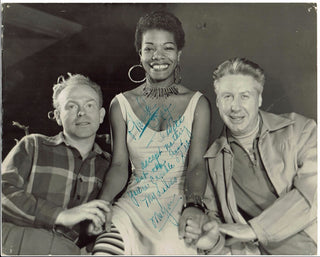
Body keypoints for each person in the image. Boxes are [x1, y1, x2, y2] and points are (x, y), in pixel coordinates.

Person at [92, 11, 211, 255]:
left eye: (167, 48)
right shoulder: (120, 104)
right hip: (133, 205)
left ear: (179, 54)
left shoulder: (198, 103)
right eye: (149, 49)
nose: (158, 56)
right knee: (103, 250)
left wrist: (193, 205)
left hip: (179, 202)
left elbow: (197, 165)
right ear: (140, 54)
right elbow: (118, 166)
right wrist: (103, 204)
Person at [194, 57, 317, 255]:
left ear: (259, 99)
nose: (235, 107)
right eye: (227, 96)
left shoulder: (302, 130)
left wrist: (254, 229)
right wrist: (211, 239)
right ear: (217, 102)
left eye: (244, 96)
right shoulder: (211, 161)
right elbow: (216, 229)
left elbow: (314, 192)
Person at [2, 73, 112, 255]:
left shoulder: (108, 166)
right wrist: (59, 215)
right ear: (58, 116)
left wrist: (92, 231)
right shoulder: (33, 145)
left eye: (89, 105)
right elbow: (3, 192)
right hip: (14, 246)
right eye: (71, 106)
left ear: (101, 115)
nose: (81, 112)